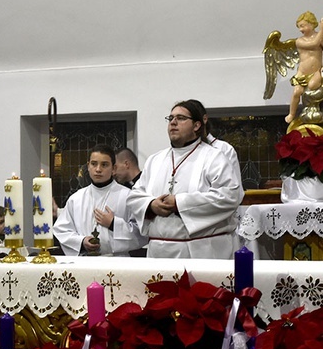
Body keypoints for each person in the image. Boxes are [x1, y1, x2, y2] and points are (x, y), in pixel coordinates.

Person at [126, 100, 243, 259]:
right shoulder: (155, 160)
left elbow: (229, 196)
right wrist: (151, 205)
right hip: (159, 252)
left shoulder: (214, 157)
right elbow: (134, 196)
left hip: (203, 251)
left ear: (197, 125)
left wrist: (179, 203)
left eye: (180, 118)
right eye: (171, 118)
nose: (173, 122)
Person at [53, 144, 146, 256]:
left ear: (114, 169)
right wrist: (81, 241)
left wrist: (113, 224)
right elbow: (61, 230)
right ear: (88, 166)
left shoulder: (128, 196)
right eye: (94, 164)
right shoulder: (76, 198)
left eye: (104, 165)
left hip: (117, 263)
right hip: (85, 263)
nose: (98, 169)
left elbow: (142, 233)